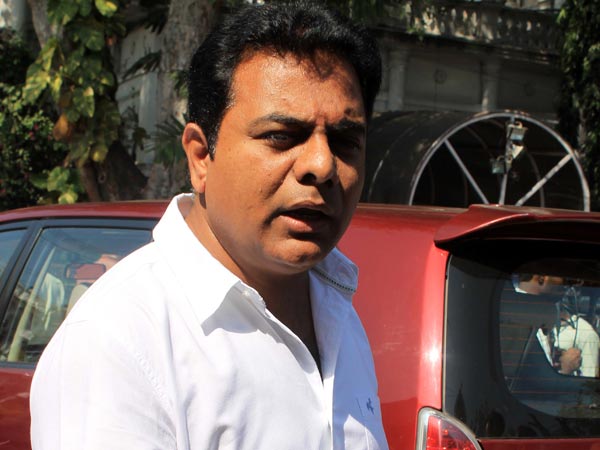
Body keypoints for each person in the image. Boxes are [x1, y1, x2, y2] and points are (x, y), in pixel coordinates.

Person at [30, 2, 388, 449]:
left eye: (345, 141)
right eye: (281, 136)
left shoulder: (339, 315)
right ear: (201, 156)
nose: (321, 165)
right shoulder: (120, 341)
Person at [515, 273, 600, 377]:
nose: (571, 284)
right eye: (564, 278)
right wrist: (565, 370)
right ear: (542, 278)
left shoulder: (539, 313)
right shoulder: (514, 315)